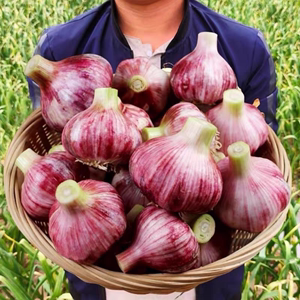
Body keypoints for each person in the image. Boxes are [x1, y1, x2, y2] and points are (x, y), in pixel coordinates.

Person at [26, 0, 278, 299]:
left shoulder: (244, 47)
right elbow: (54, 138)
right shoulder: (60, 46)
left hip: (210, 272)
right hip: (96, 275)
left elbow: (259, 151)